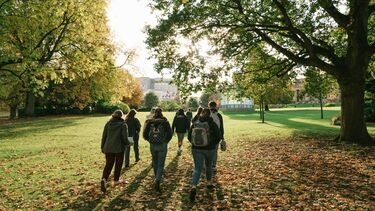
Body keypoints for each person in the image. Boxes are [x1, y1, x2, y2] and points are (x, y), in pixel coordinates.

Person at [187, 108, 222, 202]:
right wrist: (213, 144)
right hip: (209, 149)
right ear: (209, 115)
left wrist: (195, 144)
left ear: (201, 114)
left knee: (197, 168)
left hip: (196, 149)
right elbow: (219, 136)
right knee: (208, 166)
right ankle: (209, 182)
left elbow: (189, 137)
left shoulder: (195, 123)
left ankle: (194, 186)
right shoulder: (212, 123)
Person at [143, 107, 172, 192]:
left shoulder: (149, 122)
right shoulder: (165, 122)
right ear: (161, 112)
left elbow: (145, 134)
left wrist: (150, 141)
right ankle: (158, 180)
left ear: (154, 113)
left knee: (155, 162)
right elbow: (170, 134)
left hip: (153, 145)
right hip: (162, 144)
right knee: (161, 164)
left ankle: (156, 178)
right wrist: (166, 141)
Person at [100, 109, 130, 193]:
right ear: (121, 116)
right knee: (118, 164)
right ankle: (116, 179)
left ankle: (104, 179)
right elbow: (125, 138)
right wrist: (128, 143)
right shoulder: (123, 125)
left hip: (108, 148)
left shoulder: (108, 123)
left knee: (108, 164)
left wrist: (102, 147)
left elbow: (104, 136)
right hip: (119, 148)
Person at [208, 101, 224, 173]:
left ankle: (209, 165)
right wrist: (222, 136)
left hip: (208, 135)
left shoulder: (207, 114)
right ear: (216, 106)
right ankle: (213, 165)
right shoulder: (219, 115)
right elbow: (221, 127)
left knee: (208, 150)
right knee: (215, 151)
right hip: (217, 136)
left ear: (209, 106)